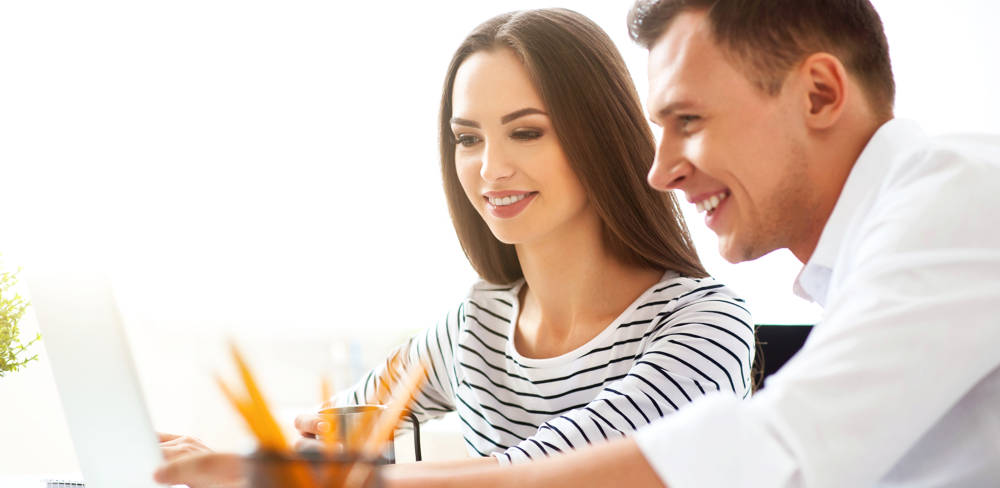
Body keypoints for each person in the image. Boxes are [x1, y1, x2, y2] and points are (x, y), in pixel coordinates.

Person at [347, 0, 998, 486]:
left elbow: (777, 449)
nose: (661, 171)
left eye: (690, 120)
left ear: (820, 94)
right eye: (468, 138)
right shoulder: (871, 267)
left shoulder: (962, 196)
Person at [154, 8, 754, 487]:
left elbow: (558, 470)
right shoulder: (475, 325)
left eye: (526, 132)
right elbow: (334, 429)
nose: (491, 169)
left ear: (599, 135)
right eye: (468, 139)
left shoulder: (704, 326)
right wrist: (251, 463)